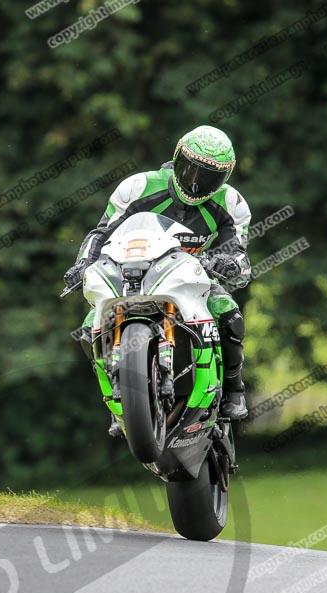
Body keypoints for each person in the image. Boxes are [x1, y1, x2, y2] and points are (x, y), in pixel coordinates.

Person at [64, 124, 251, 434]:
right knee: (87, 329)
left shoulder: (231, 203)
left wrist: (227, 263)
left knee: (230, 315)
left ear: (225, 178)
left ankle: (234, 390)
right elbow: (101, 232)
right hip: (133, 271)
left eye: (208, 177)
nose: (195, 183)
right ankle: (118, 396)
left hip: (193, 275)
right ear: (176, 158)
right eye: (190, 170)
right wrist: (82, 263)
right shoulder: (137, 187)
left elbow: (239, 252)